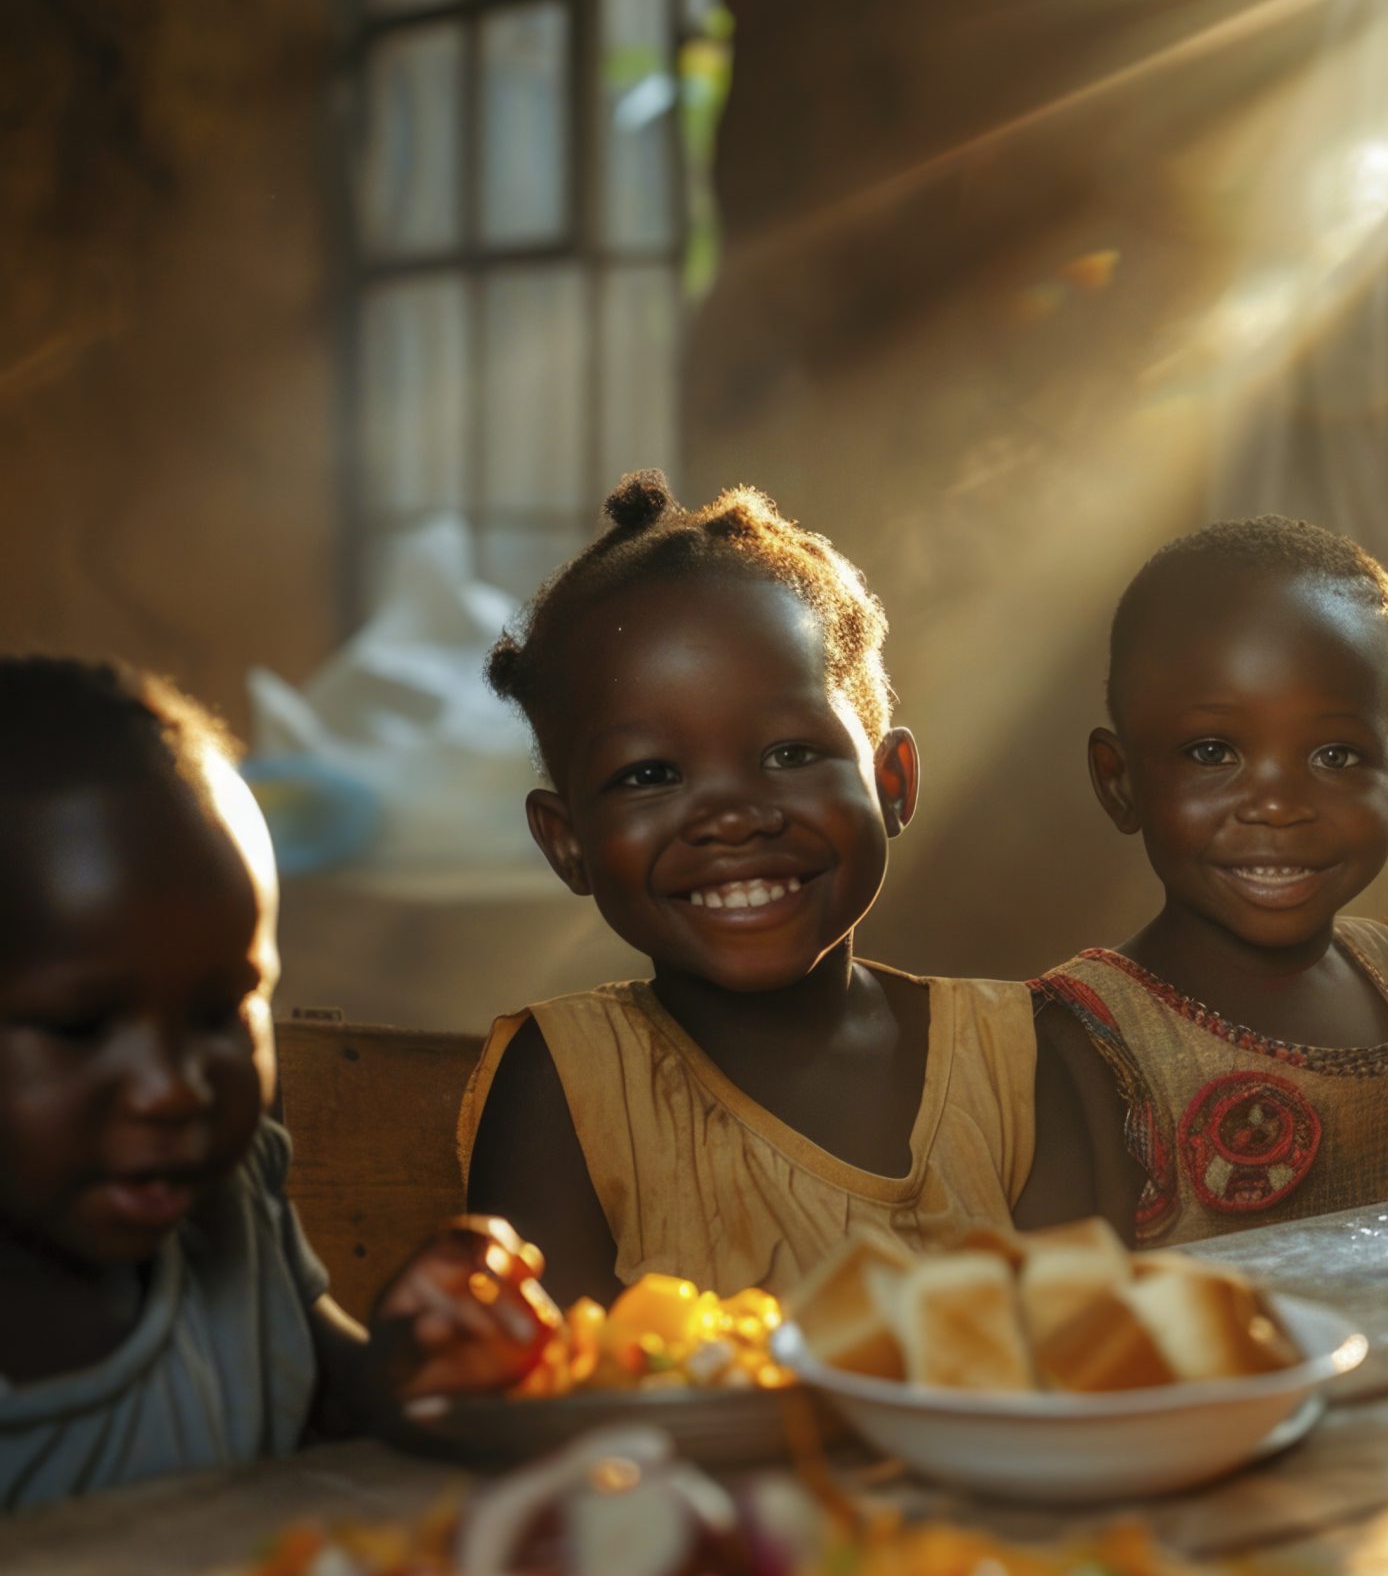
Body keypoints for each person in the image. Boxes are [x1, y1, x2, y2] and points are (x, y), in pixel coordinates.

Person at [459, 474, 1044, 1302]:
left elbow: (1099, 1353)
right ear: (568, 843)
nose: (732, 817)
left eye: (789, 754)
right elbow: (559, 1390)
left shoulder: (1018, 1059)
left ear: (893, 782)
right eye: (650, 773)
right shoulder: (569, 1088)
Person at [0, 658, 549, 1508]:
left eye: (221, 1013)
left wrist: (409, 1358)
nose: (173, 1090)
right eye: (80, 1027)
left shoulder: (232, 1202)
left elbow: (331, 1404)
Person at [1030, 517, 1388, 1247]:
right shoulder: (1083, 1034)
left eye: (1335, 755)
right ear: (1121, 780)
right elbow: (1069, 1311)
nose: (1278, 804)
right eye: (1212, 751)